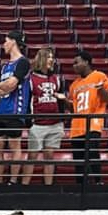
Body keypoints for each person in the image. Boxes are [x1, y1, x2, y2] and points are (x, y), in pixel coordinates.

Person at [0, 30, 30, 184]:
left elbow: (12, 85)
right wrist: (1, 87)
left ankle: (12, 180)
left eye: (6, 41)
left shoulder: (23, 62)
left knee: (14, 144)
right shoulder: (5, 66)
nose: (4, 44)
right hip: (1, 110)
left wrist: (0, 86)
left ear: (13, 41)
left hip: (15, 110)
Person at [67, 51, 108, 184]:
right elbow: (73, 109)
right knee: (79, 159)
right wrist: (64, 100)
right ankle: (81, 186)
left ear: (86, 62)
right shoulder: (74, 85)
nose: (74, 66)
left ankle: (98, 181)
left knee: (92, 153)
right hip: (76, 127)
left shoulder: (99, 76)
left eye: (77, 62)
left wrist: (101, 90)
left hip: (93, 123)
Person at [23, 47, 66, 186]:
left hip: (55, 122)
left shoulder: (56, 79)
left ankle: (48, 187)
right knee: (32, 156)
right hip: (38, 123)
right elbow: (26, 101)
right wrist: (29, 121)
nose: (51, 60)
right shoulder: (31, 79)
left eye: (52, 57)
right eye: (48, 57)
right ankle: (25, 186)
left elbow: (61, 99)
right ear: (41, 59)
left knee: (49, 156)